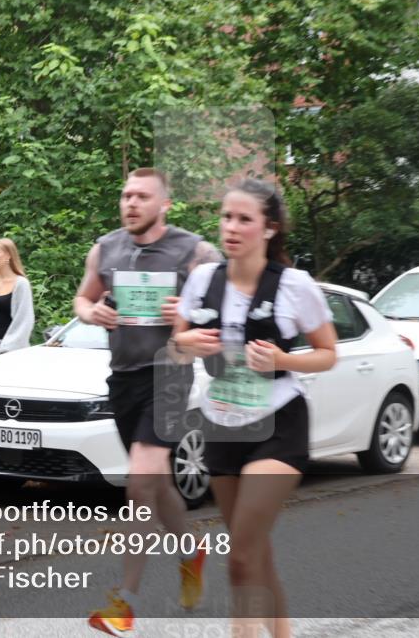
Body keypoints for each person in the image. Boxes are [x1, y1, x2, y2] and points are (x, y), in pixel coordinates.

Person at [171, 178, 337, 638]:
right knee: (256, 553)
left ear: (269, 229)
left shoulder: (294, 285)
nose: (232, 227)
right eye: (227, 217)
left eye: (245, 219)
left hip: (278, 425)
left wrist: (283, 359)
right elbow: (178, 345)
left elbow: (328, 352)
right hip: (222, 424)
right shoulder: (204, 279)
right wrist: (185, 340)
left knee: (241, 553)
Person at [77, 168, 220, 636]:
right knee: (158, 490)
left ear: (164, 204)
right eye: (125, 195)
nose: (131, 203)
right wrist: (92, 311)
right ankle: (190, 550)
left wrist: (190, 311)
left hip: (170, 375)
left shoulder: (194, 251)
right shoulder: (106, 247)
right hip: (123, 380)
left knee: (139, 485)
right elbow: (82, 299)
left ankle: (125, 602)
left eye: (142, 196)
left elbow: (222, 308)